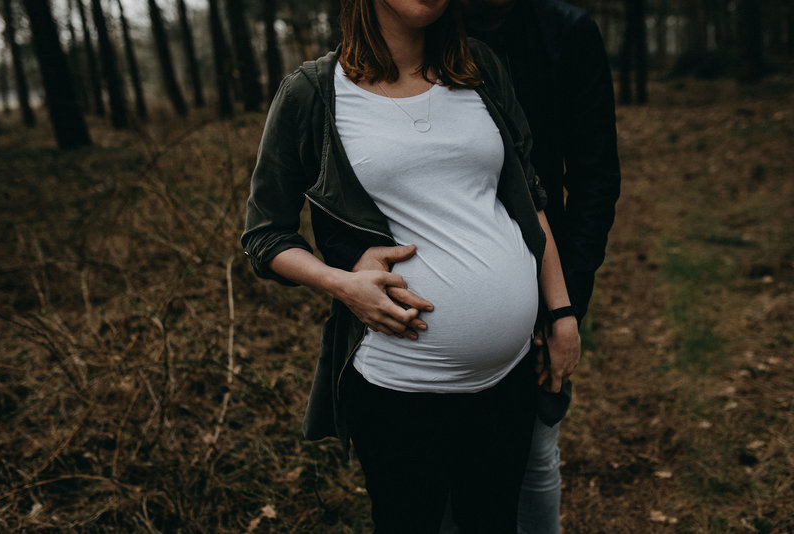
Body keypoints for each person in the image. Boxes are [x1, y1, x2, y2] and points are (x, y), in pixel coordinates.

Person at [241, 0, 581, 531]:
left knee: (492, 521)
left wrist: (561, 313)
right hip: (398, 385)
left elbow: (530, 200)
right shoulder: (314, 93)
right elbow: (264, 234)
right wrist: (342, 284)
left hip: (509, 376)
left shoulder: (481, 69)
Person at [358, 1, 622, 532]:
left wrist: (565, 307)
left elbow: (593, 178)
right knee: (449, 481)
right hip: (417, 330)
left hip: (542, 283)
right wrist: (352, 260)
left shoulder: (565, 33)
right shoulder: (421, 20)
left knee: (535, 454)